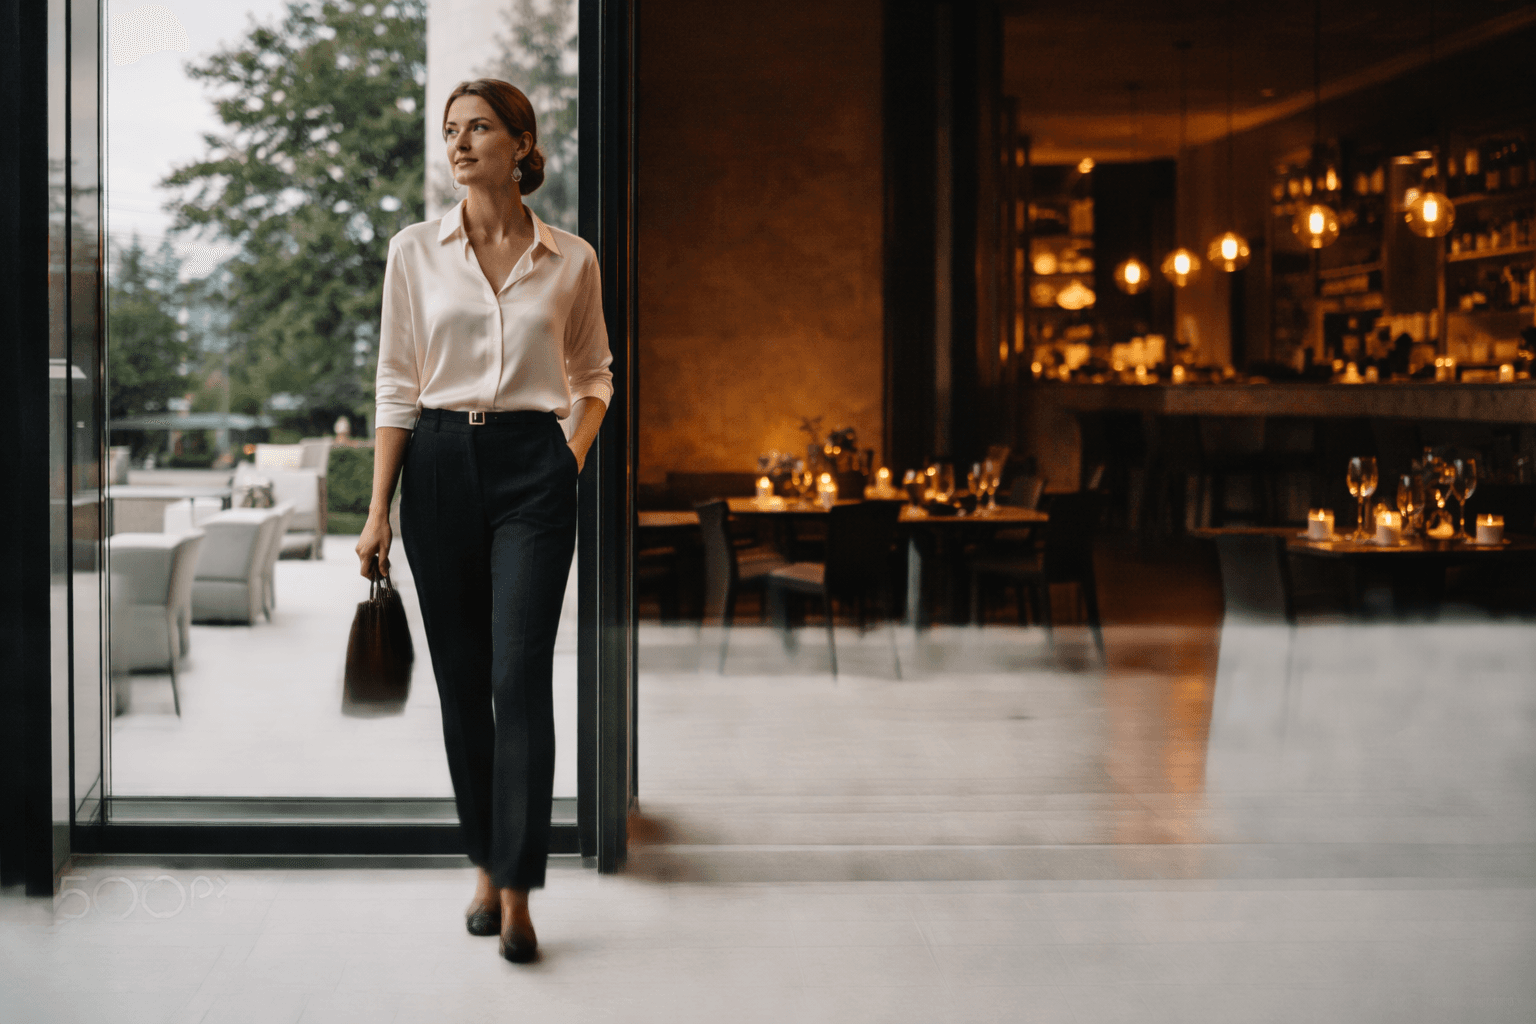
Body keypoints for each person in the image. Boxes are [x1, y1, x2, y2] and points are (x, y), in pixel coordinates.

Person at [355, 78, 612, 964]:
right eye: (451, 131)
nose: (460, 144)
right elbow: (395, 382)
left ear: (520, 141)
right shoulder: (413, 252)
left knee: (520, 676)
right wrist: (377, 507)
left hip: (532, 470)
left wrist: (562, 459)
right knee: (463, 682)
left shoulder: (571, 258)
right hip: (434, 466)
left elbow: (596, 377)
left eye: (479, 129)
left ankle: (519, 891)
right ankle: (484, 868)